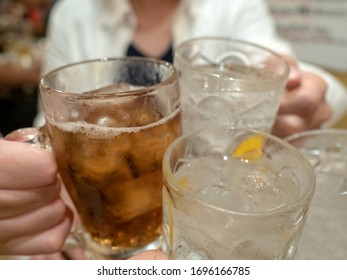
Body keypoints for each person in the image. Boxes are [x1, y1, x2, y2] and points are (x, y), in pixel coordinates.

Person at [0, 0, 346, 259]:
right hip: (100, 248)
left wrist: (309, 93)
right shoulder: (74, 12)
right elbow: (49, 126)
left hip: (204, 225)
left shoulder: (232, 5)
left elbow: (297, 73)